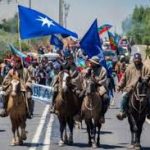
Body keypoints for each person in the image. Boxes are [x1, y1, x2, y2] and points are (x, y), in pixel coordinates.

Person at [116, 53, 150, 120]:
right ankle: (122, 112)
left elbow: (149, 74)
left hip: (142, 88)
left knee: (148, 97)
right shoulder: (129, 68)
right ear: (134, 60)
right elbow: (124, 78)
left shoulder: (145, 67)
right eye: (136, 60)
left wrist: (145, 79)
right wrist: (119, 86)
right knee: (124, 96)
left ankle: (149, 113)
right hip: (130, 88)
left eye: (138, 60)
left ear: (140, 59)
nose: (137, 61)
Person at [85, 56, 110, 123]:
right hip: (89, 85)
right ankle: (81, 113)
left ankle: (102, 114)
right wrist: (87, 75)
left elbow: (104, 80)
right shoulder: (89, 69)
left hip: (99, 86)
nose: (91, 63)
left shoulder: (103, 69)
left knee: (106, 98)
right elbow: (85, 78)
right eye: (91, 62)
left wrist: (97, 81)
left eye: (93, 62)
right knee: (80, 95)